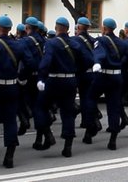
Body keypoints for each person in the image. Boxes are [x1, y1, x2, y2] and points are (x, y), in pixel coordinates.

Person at [0, 15, 33, 168]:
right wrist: (21, 77)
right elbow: (30, 63)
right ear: (10, 29)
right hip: (11, 86)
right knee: (10, 120)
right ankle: (9, 156)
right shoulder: (19, 45)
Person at [35, 17, 90, 157]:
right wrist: (75, 72)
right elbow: (87, 60)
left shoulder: (51, 43)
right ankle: (68, 146)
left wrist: (41, 78)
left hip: (54, 80)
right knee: (67, 112)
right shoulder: (75, 43)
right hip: (70, 81)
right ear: (68, 28)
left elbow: (46, 62)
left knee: (40, 107)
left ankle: (47, 133)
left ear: (56, 27)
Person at [86, 18, 128, 150]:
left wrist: (97, 62)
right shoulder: (122, 43)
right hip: (117, 76)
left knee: (90, 99)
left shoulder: (101, 40)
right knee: (114, 107)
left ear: (104, 28)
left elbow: (99, 53)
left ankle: (92, 124)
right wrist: (120, 64)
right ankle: (113, 139)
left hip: (103, 75)